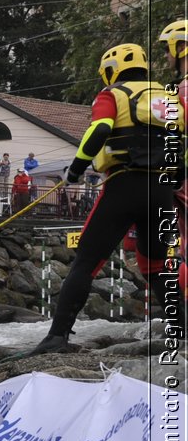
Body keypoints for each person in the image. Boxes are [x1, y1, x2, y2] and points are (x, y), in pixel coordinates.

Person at [31, 43, 185, 354]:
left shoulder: (113, 95)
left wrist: (74, 170)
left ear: (112, 70)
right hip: (160, 191)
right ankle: (181, 334)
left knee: (86, 261)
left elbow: (99, 131)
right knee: (156, 266)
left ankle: (57, 337)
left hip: (123, 186)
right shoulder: (170, 98)